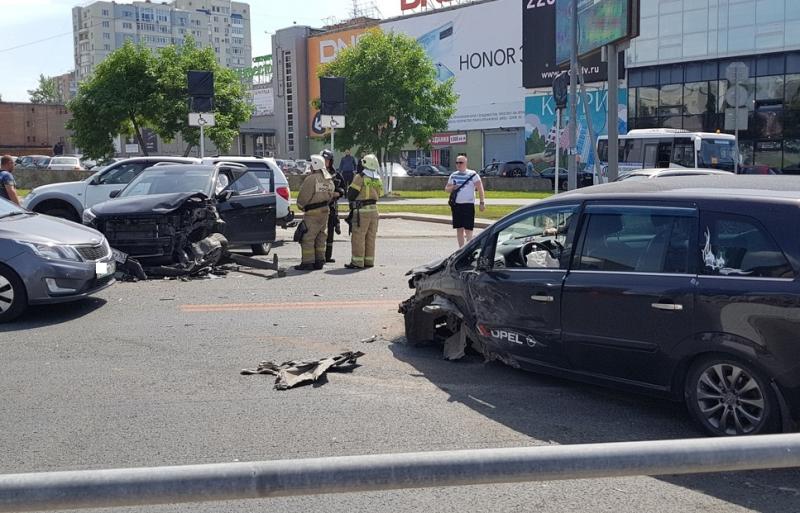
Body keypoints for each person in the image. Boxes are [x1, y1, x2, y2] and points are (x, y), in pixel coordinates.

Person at [294, 154, 335, 271]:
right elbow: (331, 193)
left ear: (315, 165)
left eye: (311, 164)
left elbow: (304, 195)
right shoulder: (328, 178)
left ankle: (307, 262)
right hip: (324, 211)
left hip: (312, 213)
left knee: (307, 237)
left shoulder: (311, 179)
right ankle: (319, 260)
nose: (310, 166)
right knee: (321, 236)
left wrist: (301, 206)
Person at [345, 153, 383, 269]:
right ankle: (369, 261)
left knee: (358, 236)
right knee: (371, 237)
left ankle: (357, 262)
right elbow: (380, 194)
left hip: (362, 211)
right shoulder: (377, 178)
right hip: (374, 211)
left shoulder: (360, 177)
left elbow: (351, 194)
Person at [445, 156, 485, 248]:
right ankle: (461, 249)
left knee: (468, 229)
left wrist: (482, 202)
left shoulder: (472, 174)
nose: (458, 164)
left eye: (461, 163)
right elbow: (446, 189)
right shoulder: (453, 175)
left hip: (468, 205)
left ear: (465, 163)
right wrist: (452, 188)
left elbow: (480, 188)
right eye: (457, 163)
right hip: (456, 205)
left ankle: (468, 249)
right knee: (459, 229)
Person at [321, 148, 346, 263]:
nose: (326, 162)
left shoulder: (335, 174)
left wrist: (338, 193)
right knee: (319, 233)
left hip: (331, 207)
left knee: (330, 232)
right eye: (324, 160)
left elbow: (343, 188)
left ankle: (327, 256)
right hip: (319, 207)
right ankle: (319, 256)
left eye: (327, 160)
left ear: (331, 161)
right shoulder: (317, 173)